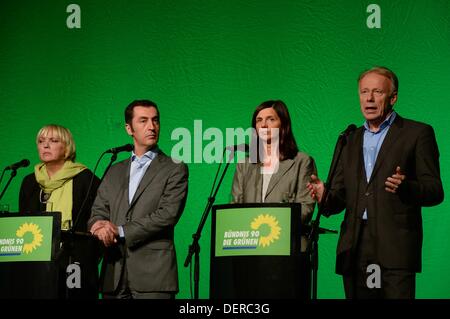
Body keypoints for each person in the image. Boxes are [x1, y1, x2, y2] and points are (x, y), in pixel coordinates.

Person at [307, 66, 444, 299]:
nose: (369, 99)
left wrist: (406, 187)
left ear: (393, 98)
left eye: (377, 92)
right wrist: (324, 195)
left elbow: (435, 191)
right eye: (364, 92)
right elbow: (338, 200)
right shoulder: (348, 139)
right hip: (355, 247)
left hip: (395, 248)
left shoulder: (417, 133)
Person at [88, 99, 188, 299]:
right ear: (129, 128)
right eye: (143, 121)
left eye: (156, 120)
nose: (152, 127)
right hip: (113, 273)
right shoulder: (114, 169)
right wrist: (98, 226)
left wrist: (121, 230)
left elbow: (167, 215)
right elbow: (98, 210)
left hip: (153, 275)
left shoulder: (175, 167)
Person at [230, 100, 317, 298]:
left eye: (271, 119)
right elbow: (236, 207)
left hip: (288, 251)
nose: (264, 125)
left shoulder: (301, 161)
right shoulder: (245, 164)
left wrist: (271, 230)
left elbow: (306, 208)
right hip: (250, 253)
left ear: (283, 124)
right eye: (259, 120)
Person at [19, 124, 101, 298]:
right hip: (37, 263)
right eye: (41, 141)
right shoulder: (29, 182)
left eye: (53, 141)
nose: (45, 145)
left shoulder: (86, 179)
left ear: (66, 147)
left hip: (75, 262)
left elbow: (97, 221)